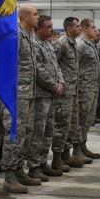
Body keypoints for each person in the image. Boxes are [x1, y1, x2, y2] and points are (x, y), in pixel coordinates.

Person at [2, 4, 41, 193]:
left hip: (29, 92)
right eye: (35, 14)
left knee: (26, 133)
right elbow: (5, 63)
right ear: (25, 17)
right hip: (16, 93)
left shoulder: (30, 36)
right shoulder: (15, 35)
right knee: (14, 134)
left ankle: (18, 169)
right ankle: (9, 175)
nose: (38, 17)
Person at [27, 15, 64, 182]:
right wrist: (53, 85)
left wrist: (60, 82)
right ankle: (34, 166)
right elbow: (38, 69)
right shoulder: (34, 44)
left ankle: (43, 161)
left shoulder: (48, 44)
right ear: (38, 29)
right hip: (40, 95)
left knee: (49, 131)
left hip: (51, 95)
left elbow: (56, 66)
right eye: (48, 27)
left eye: (51, 26)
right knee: (38, 132)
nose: (51, 29)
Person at [54, 17, 86, 167]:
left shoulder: (74, 44)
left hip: (73, 91)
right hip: (64, 92)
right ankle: (57, 157)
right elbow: (54, 64)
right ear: (69, 29)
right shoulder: (62, 44)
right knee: (61, 124)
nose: (80, 29)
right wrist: (59, 83)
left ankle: (66, 154)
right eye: (78, 26)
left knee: (71, 125)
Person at [76, 18, 100, 160]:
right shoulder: (80, 45)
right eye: (93, 27)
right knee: (80, 120)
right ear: (84, 28)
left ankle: (83, 145)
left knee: (88, 120)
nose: (95, 30)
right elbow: (75, 67)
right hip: (83, 89)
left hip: (92, 87)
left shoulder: (91, 45)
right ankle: (76, 149)